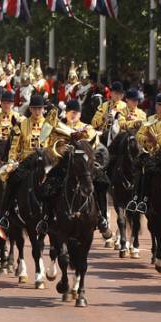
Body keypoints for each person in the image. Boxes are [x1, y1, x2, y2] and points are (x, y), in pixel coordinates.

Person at [35, 99, 101, 235]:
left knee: (102, 182)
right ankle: (46, 218)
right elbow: (48, 142)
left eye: (76, 113)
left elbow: (93, 142)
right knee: (49, 186)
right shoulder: (59, 127)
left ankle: (101, 217)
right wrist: (61, 148)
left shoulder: (87, 127)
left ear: (80, 114)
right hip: (64, 165)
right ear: (66, 113)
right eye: (70, 112)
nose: (73, 115)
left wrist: (79, 138)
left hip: (83, 165)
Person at [0, 94, 47, 229]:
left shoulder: (49, 124)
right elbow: (14, 146)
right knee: (12, 180)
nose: (37, 111)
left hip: (44, 161)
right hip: (25, 161)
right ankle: (5, 214)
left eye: (40, 108)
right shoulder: (21, 124)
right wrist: (11, 161)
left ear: (43, 109)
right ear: (30, 109)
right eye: (35, 108)